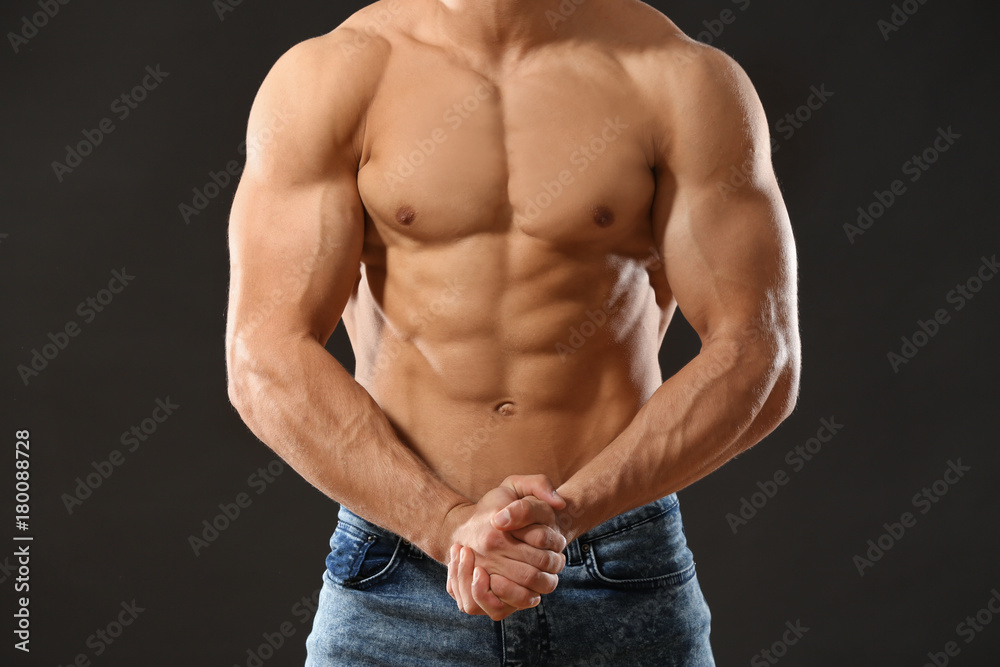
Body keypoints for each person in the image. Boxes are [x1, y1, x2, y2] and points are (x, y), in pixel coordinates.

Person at [224, 0, 800, 663]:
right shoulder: (333, 76)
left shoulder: (676, 79)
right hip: (399, 571)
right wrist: (443, 524)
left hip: (619, 566)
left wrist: (569, 513)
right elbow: (264, 354)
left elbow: (760, 352)